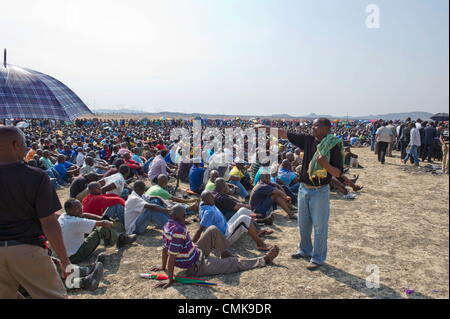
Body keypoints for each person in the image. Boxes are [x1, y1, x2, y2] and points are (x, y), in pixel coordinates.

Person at [262, 118, 343, 270]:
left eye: (317, 125)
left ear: (326, 129)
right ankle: (305, 250)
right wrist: (266, 128)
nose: (313, 127)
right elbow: (285, 134)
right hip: (303, 188)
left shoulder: (333, 146)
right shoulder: (308, 139)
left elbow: (338, 172)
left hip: (320, 190)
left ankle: (318, 258)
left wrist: (325, 164)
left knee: (319, 226)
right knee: (303, 223)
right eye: (313, 125)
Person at [0, 126, 68, 299]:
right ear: (15, 145)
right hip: (27, 249)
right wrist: (64, 260)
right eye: (24, 144)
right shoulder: (36, 176)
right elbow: (49, 223)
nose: (26, 148)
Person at [150, 205, 279, 288]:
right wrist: (170, 279)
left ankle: (224, 251)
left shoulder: (168, 225)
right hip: (195, 265)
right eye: (186, 215)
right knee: (232, 263)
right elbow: (171, 256)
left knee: (212, 230)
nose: (187, 217)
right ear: (182, 216)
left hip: (196, 252)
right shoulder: (178, 231)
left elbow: (165, 248)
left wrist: (163, 267)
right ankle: (264, 260)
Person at [59, 199, 136, 264]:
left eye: (80, 206)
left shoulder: (64, 216)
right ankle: (121, 239)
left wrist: (101, 218)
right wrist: (112, 223)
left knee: (92, 227)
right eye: (77, 208)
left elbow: (84, 214)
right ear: (69, 210)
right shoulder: (76, 221)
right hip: (75, 256)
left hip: (64, 255)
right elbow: (103, 224)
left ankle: (112, 238)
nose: (81, 209)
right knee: (102, 229)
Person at [193, 191, 273, 251]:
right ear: (206, 200)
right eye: (211, 197)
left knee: (243, 210)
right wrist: (192, 245)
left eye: (212, 196)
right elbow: (200, 229)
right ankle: (260, 244)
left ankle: (257, 230)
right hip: (224, 238)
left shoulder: (203, 203)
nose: (213, 198)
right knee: (244, 219)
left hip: (226, 226)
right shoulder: (209, 212)